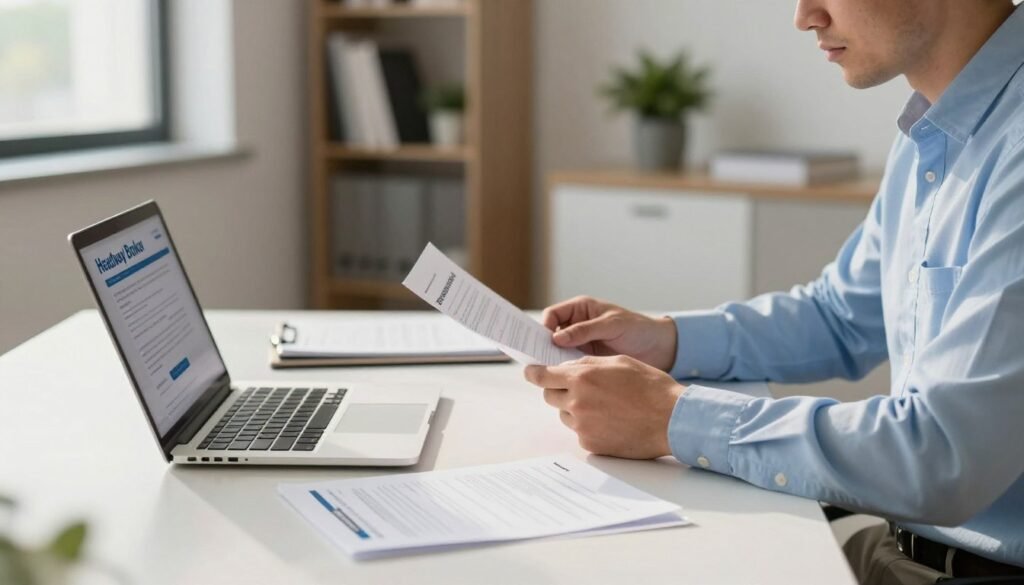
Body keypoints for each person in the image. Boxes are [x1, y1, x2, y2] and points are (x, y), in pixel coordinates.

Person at [523, 1, 1024, 583]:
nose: (805, 15)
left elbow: (939, 454)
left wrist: (672, 417)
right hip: (899, 544)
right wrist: (666, 339)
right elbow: (840, 315)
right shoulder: (933, 130)